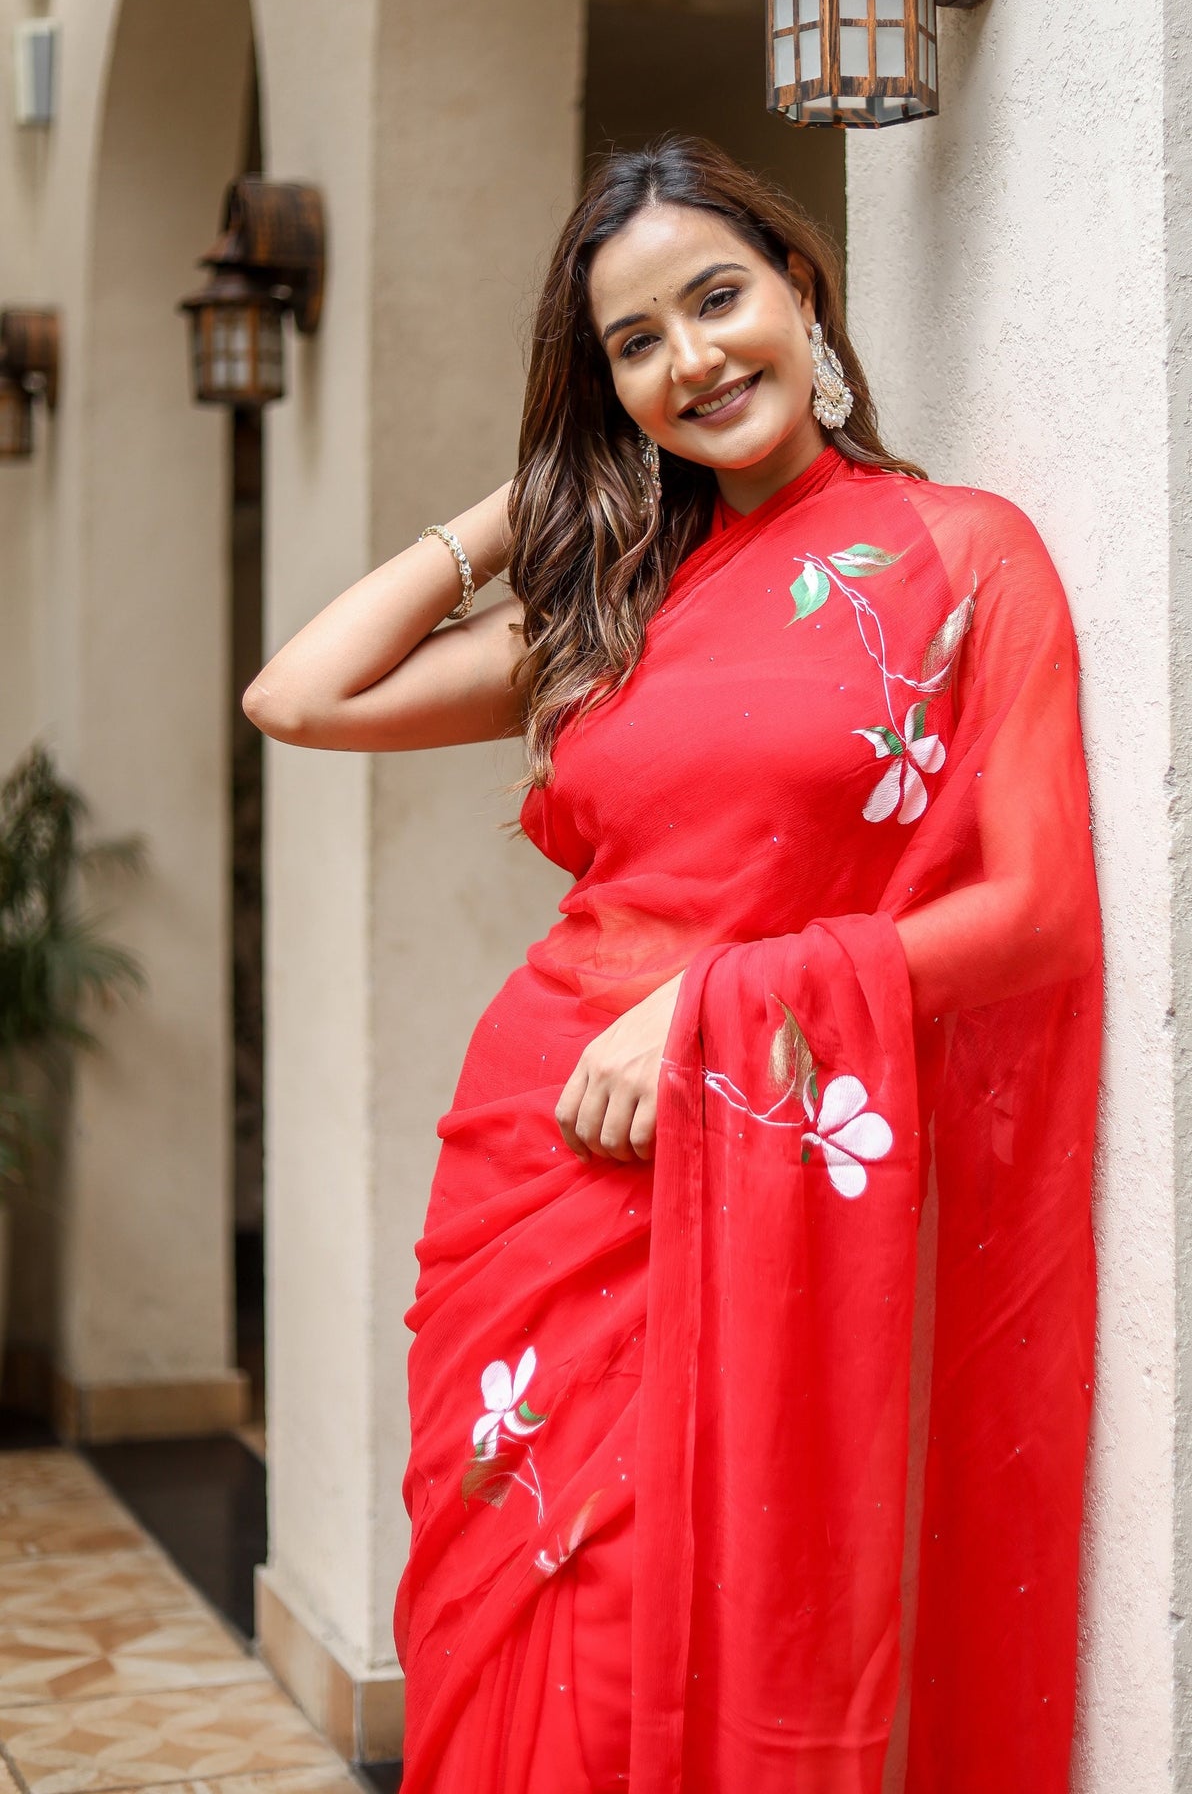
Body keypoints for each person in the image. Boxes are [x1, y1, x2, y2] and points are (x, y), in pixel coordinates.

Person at [244, 137, 1102, 1794]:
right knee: (513, 1614)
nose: (694, 359)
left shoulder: (956, 558)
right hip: (536, 1181)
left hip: (753, 1167)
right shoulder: (617, 604)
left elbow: (1039, 914)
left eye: (718, 300)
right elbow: (300, 695)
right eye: (636, 344)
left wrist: (706, 1008)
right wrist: (538, 490)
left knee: (664, 1617)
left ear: (802, 289)